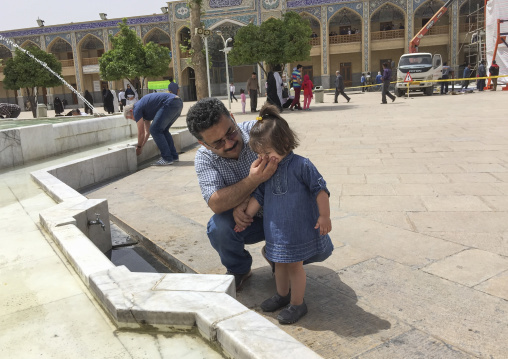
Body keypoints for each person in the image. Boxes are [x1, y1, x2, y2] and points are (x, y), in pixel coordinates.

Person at [234, 103, 333, 324]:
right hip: (276, 232)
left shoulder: (302, 166)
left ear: (285, 143)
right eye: (259, 154)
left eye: (267, 153)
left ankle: (298, 304)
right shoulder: (267, 170)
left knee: (295, 267)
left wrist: (324, 216)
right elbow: (258, 196)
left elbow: (320, 189)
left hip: (298, 231)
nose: (264, 158)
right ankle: (282, 294)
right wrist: (247, 217)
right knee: (279, 264)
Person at [186, 97, 278, 289]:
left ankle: (277, 255)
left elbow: (291, 171)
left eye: (230, 132)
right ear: (202, 143)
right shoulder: (204, 158)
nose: (228, 144)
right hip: (246, 223)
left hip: (280, 213)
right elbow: (216, 203)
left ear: (233, 118)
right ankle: (239, 269)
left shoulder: (260, 131)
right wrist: (252, 180)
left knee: (320, 247)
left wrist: (247, 200)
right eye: (217, 143)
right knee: (218, 228)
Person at [124, 93, 183, 166]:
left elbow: (141, 132)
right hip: (177, 102)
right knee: (163, 130)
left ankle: (166, 158)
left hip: (169, 103)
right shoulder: (143, 110)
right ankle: (174, 156)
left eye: (130, 118)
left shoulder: (136, 109)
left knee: (155, 130)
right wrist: (141, 146)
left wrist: (138, 147)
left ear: (130, 111)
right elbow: (147, 132)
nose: (133, 120)